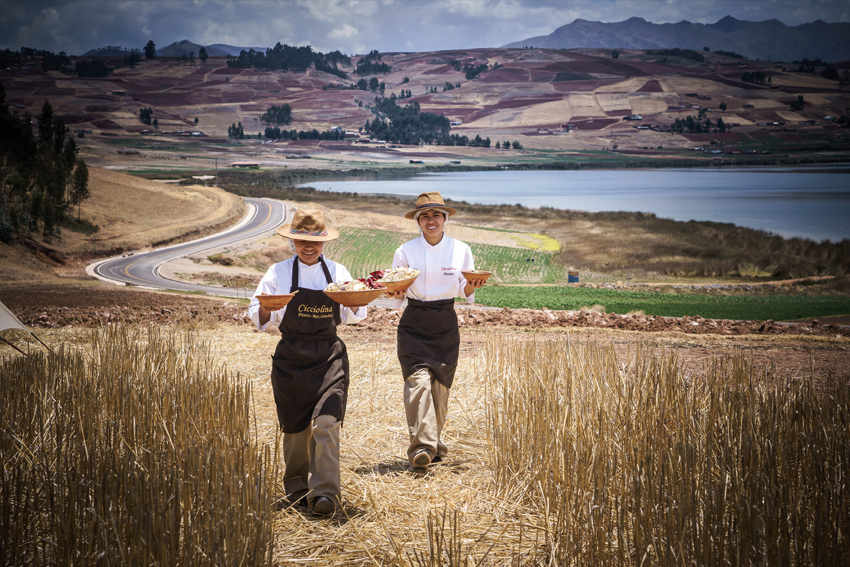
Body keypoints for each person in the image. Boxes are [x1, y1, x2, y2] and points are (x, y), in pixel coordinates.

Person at [248, 208, 366, 516]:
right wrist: (267, 308)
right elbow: (257, 315)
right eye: (301, 241)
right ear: (292, 242)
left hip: (329, 357)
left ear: (324, 242)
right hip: (291, 357)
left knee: (327, 422)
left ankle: (325, 493)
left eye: (314, 241)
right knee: (296, 429)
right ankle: (298, 490)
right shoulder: (278, 273)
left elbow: (354, 315)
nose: (308, 247)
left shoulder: (338, 273)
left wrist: (358, 301)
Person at [386, 191, 485, 471]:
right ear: (417, 221)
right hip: (414, 321)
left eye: (436, 215)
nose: (431, 220)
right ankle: (422, 448)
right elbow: (396, 295)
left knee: (440, 390)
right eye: (425, 215)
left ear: (445, 219)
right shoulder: (405, 251)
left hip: (445, 322)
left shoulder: (461, 249)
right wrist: (396, 289)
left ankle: (435, 447)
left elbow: (467, 292)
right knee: (417, 383)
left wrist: (473, 285)